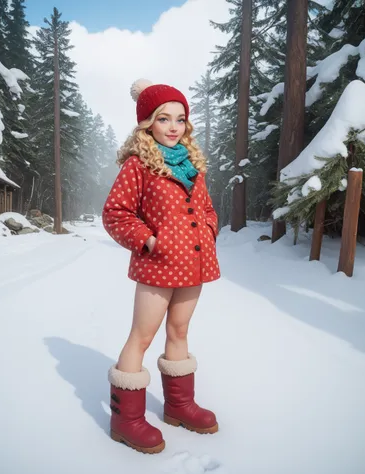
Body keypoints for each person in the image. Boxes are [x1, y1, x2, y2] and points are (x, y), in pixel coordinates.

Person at [102, 79, 221, 454]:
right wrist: (149, 241)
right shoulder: (138, 166)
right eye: (164, 118)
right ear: (147, 124)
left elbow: (206, 209)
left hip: (195, 264)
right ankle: (126, 419)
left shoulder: (192, 167)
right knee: (142, 334)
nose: (173, 126)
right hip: (158, 266)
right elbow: (115, 214)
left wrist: (210, 230)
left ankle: (179, 406)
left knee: (180, 330)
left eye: (180, 119)